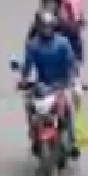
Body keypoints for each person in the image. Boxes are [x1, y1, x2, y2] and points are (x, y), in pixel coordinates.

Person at [20, 11, 80, 156]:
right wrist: (24, 80)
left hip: (61, 83)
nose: (46, 30)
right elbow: (27, 66)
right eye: (43, 27)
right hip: (42, 85)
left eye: (48, 26)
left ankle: (72, 141)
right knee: (29, 105)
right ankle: (34, 136)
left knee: (67, 109)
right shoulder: (32, 45)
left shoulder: (62, 43)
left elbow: (71, 63)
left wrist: (72, 79)